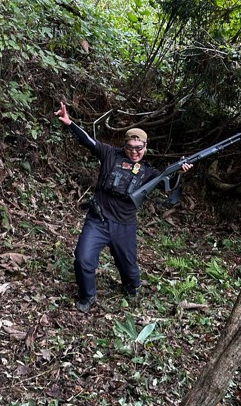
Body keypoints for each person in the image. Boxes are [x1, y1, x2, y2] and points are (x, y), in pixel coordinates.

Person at [55, 102, 192, 312]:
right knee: (83, 259)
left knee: (128, 268)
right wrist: (69, 123)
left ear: (146, 147)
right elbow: (88, 141)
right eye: (130, 148)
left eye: (139, 148)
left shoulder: (149, 172)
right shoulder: (110, 154)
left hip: (125, 226)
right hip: (97, 220)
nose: (135, 152)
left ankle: (131, 287)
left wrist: (179, 173)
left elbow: (169, 185)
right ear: (124, 145)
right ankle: (87, 296)